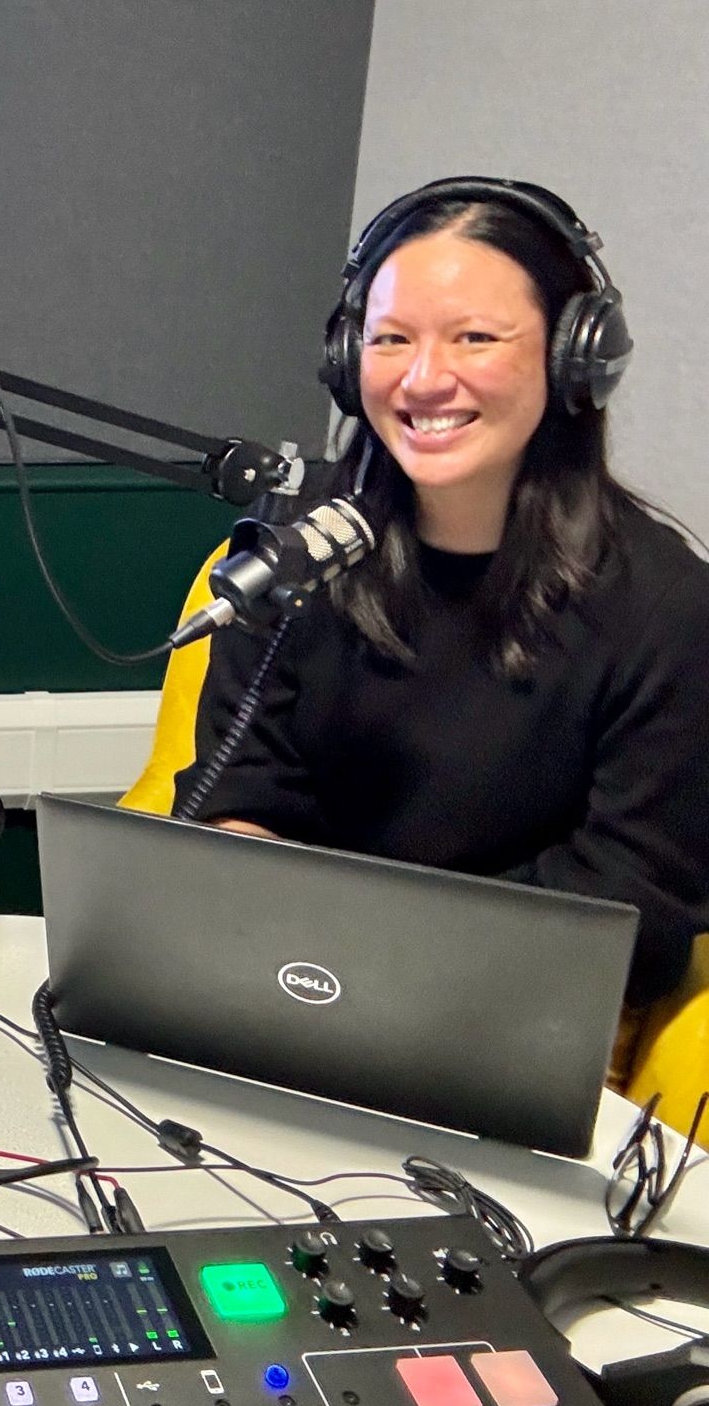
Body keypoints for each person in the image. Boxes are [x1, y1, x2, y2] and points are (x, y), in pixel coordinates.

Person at [174, 177, 709, 1012]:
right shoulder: (294, 543)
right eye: (391, 339)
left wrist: (380, 959)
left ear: (576, 357)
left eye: (475, 338)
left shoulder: (666, 605)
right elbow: (235, 795)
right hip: (284, 987)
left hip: (506, 1014)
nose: (424, 379)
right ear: (349, 361)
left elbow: (632, 917)